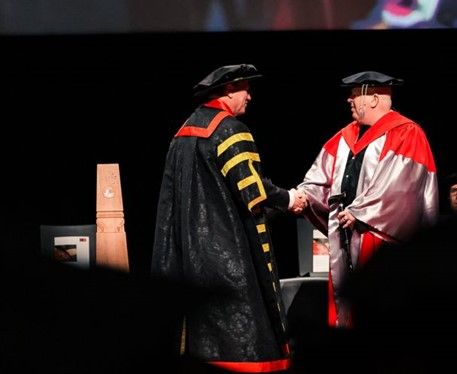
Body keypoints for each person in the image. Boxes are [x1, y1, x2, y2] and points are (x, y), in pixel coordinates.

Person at [151, 64, 306, 372]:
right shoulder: (230, 129)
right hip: (226, 253)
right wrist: (290, 199)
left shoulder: (182, 133)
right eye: (245, 89)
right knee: (244, 338)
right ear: (227, 91)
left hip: (185, 254)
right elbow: (253, 189)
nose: (249, 96)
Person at [297, 70, 438, 328]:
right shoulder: (343, 137)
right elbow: (320, 178)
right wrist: (302, 197)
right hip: (344, 236)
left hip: (379, 239)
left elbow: (400, 187)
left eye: (353, 95)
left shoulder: (407, 132)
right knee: (346, 306)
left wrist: (360, 212)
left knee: (379, 309)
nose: (348, 100)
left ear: (372, 99)